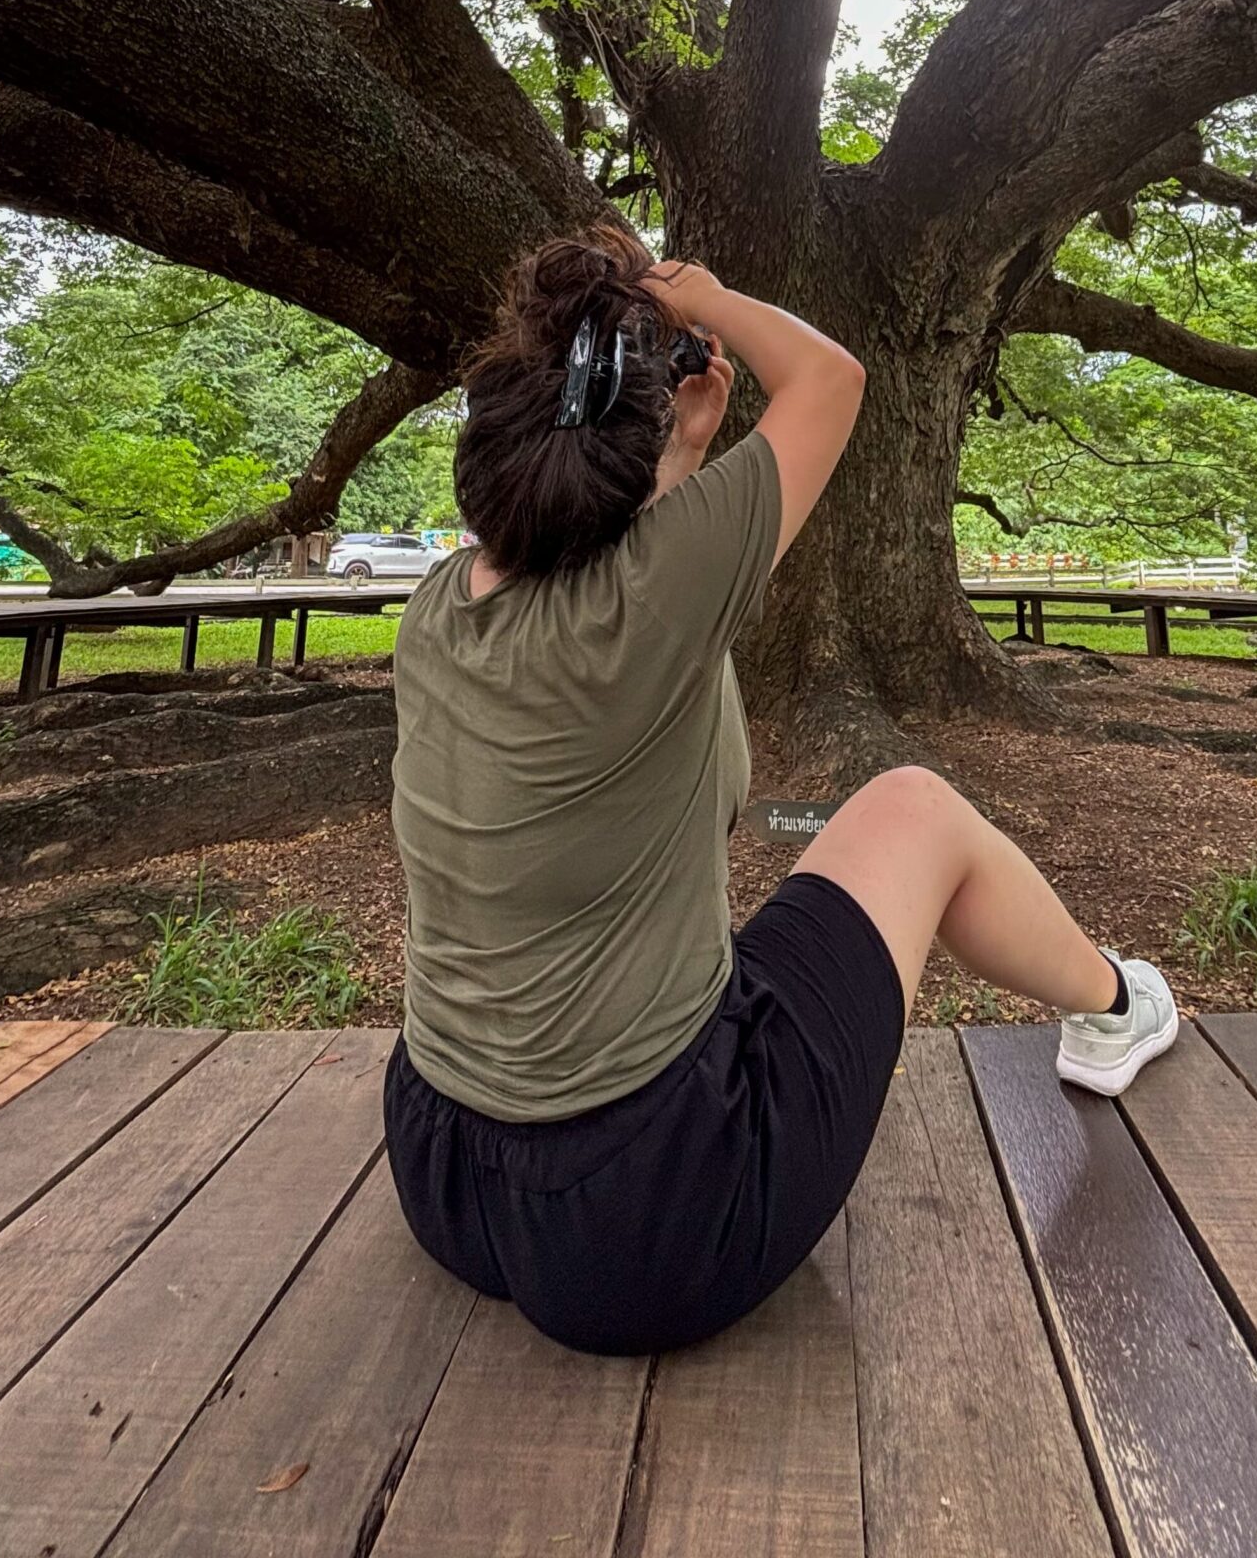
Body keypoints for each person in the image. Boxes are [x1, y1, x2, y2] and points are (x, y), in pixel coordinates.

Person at [385, 225, 1176, 1356]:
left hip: (443, 1162)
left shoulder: (440, 604)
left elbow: (603, 552)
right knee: (913, 807)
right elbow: (831, 379)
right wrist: (697, 292)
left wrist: (678, 453)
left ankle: (1110, 1007)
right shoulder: (655, 597)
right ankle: (1113, 1007)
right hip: (650, 1221)